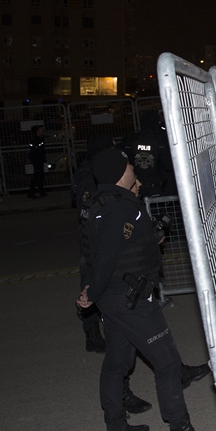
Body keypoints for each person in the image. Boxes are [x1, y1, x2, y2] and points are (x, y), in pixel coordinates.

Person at [79, 148, 216, 431]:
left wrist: (93, 291)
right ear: (119, 172)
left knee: (117, 362)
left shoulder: (98, 203)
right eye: (129, 165)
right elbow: (105, 259)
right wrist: (92, 293)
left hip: (114, 299)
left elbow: (98, 253)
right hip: (129, 299)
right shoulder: (119, 207)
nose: (134, 168)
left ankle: (116, 429)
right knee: (168, 364)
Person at [73, 134, 115, 353]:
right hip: (93, 240)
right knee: (91, 282)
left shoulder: (89, 171)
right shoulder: (90, 175)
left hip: (92, 238)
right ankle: (92, 333)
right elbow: (88, 209)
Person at [28, 125, 48, 199]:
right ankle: (31, 193)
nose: (42, 132)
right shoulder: (35, 140)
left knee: (40, 176)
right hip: (37, 160)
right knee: (36, 176)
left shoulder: (40, 139)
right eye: (40, 131)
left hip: (39, 159)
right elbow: (35, 149)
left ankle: (41, 192)